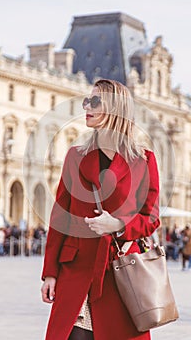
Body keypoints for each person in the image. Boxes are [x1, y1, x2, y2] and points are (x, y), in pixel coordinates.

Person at [41, 79, 160, 340]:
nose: (87, 106)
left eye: (95, 101)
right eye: (87, 100)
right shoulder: (76, 155)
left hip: (119, 273)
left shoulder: (144, 161)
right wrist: (49, 273)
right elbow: (60, 216)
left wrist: (118, 225)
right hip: (77, 272)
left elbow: (150, 218)